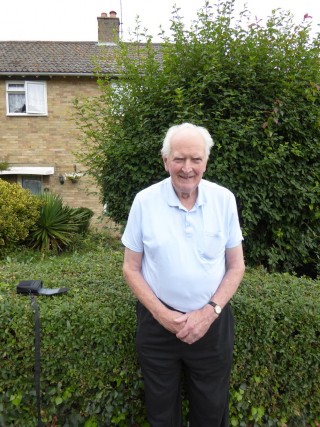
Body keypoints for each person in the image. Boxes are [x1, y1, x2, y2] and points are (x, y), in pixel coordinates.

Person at [121, 122, 245, 427]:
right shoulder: (144, 202)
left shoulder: (224, 200)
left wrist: (209, 312)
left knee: (212, 414)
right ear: (166, 161)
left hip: (212, 325)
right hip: (157, 325)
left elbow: (236, 265)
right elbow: (130, 267)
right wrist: (162, 314)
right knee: (161, 415)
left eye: (195, 159)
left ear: (206, 162)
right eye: (178, 159)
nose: (187, 168)